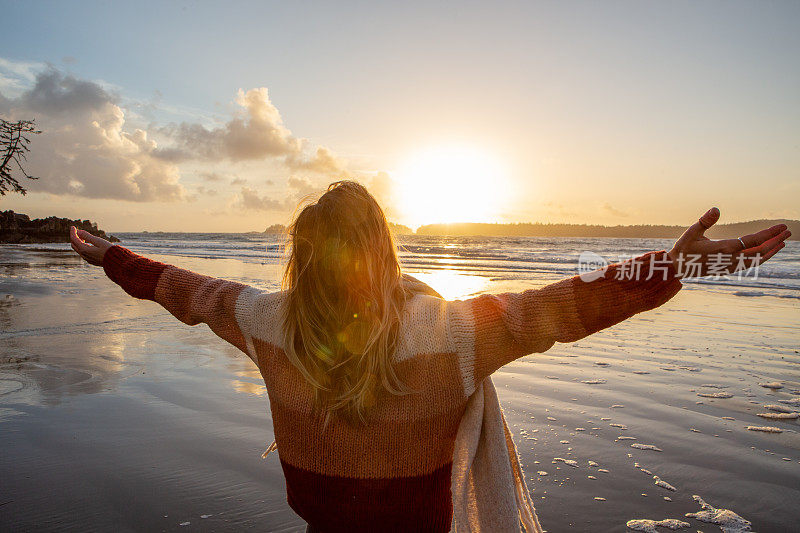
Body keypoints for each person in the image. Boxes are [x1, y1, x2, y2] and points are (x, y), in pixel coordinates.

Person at [70, 180, 789, 532]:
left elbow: (186, 290)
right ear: (384, 252)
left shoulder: (267, 323)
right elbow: (572, 304)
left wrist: (113, 256)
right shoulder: (451, 334)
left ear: (304, 256)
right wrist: (679, 266)